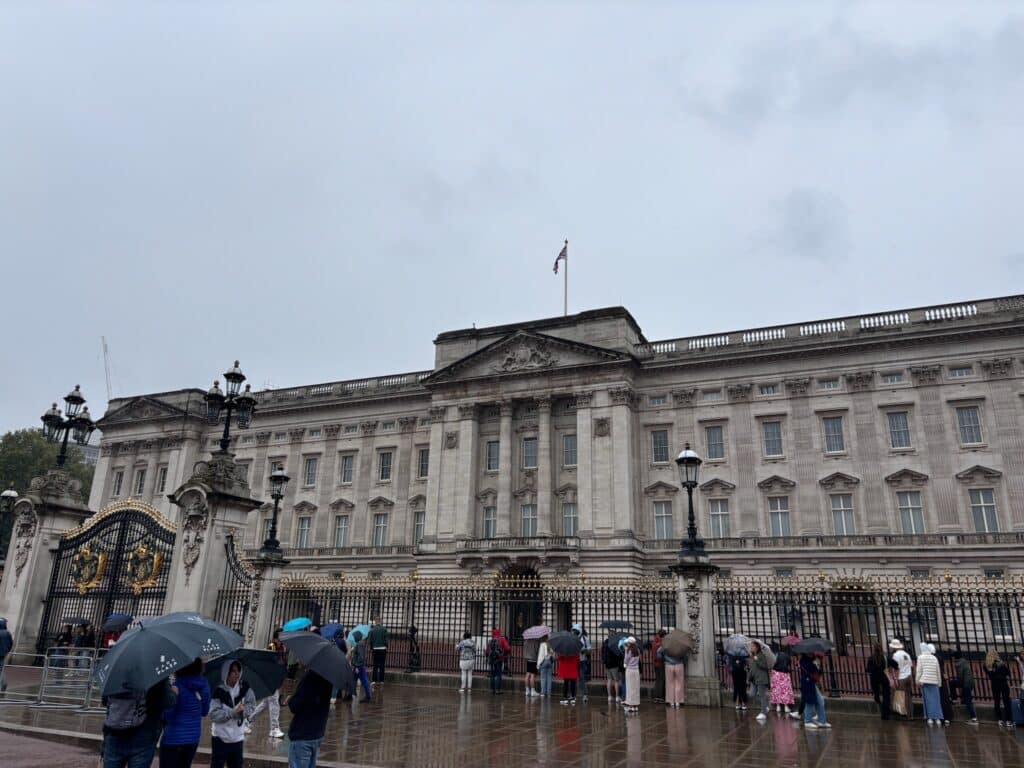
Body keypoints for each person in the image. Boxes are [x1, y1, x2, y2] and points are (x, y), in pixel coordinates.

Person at [102, 678, 176, 768]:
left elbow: (105, 700)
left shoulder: (116, 672)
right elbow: (168, 702)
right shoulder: (156, 673)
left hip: (114, 731)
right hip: (144, 733)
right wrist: (174, 693)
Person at [159, 658, 210, 768]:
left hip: (172, 739)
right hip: (192, 739)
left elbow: (168, 715)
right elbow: (205, 712)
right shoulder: (204, 685)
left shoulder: (176, 686)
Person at [209, 660, 256, 768]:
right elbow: (213, 714)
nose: (236, 674)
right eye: (233, 671)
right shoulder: (218, 691)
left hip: (237, 739)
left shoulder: (245, 688)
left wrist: (243, 712)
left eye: (238, 671)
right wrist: (232, 713)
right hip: (220, 738)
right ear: (226, 673)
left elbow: (252, 705)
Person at [284, 667, 332, 768]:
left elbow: (295, 706)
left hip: (303, 733)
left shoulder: (310, 676)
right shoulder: (328, 675)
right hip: (317, 733)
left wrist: (291, 699)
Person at [251, 629, 286, 738]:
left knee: (266, 703)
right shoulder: (272, 646)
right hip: (269, 678)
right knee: (274, 702)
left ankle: (247, 720)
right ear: (276, 638)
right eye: (281, 637)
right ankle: (274, 728)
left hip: (275, 678)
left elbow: (283, 664)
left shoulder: (283, 648)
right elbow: (270, 663)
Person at [799, 652, 830, 729]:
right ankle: (808, 721)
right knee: (809, 702)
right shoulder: (806, 661)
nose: (811, 654)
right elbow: (814, 672)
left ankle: (822, 721)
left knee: (820, 701)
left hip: (811, 683)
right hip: (807, 683)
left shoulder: (811, 661)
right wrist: (816, 666)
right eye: (809, 653)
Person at [915, 642, 942, 725]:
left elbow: (919, 671)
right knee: (936, 700)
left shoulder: (920, 657)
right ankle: (937, 718)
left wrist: (917, 681)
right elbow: (938, 671)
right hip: (934, 681)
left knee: (927, 701)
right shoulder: (934, 658)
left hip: (925, 681)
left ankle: (929, 718)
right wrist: (939, 682)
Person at [984, 649, 1013, 727]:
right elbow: (1008, 673)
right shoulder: (1000, 663)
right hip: (1003, 683)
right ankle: (1008, 720)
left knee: (997, 702)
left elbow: (990, 675)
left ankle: (999, 720)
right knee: (1006, 701)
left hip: (994, 684)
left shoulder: (986, 665)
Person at [889, 639, 914, 720]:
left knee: (900, 697)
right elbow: (911, 665)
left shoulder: (896, 655)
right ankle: (910, 714)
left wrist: (895, 679)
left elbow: (896, 668)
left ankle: (903, 713)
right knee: (908, 696)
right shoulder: (906, 654)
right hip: (908, 676)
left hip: (901, 677)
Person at [865, 643, 891, 720]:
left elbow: (868, 669)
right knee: (886, 696)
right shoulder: (885, 657)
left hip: (874, 679)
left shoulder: (871, 658)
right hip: (884, 678)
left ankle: (881, 707)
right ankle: (885, 713)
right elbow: (893, 663)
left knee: (877, 696)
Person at [657, 643, 685, 708]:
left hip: (668, 664)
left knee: (669, 683)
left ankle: (671, 702)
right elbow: (684, 656)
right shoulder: (680, 645)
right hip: (679, 664)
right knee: (679, 683)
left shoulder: (666, 644)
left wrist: (663, 658)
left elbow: (658, 652)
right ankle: (678, 701)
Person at [952, 651, 977, 724]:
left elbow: (960, 677)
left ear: (955, 657)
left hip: (966, 683)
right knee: (967, 699)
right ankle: (962, 700)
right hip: (970, 682)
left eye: (953, 657)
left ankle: (974, 718)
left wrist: (958, 682)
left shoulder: (958, 664)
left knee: (968, 701)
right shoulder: (963, 661)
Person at [769, 645, 794, 716]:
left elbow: (772, 664)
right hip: (784, 673)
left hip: (775, 673)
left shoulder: (775, 655)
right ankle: (786, 706)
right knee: (785, 690)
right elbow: (789, 663)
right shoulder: (787, 656)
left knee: (776, 689)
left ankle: (778, 706)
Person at [749, 641, 771, 721]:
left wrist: (757, 660)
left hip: (761, 678)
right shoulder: (753, 656)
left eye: (753, 646)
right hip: (754, 679)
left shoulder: (761, 655)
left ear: (757, 647)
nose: (751, 648)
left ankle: (763, 713)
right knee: (752, 694)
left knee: (762, 695)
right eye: (751, 646)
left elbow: (764, 666)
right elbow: (752, 668)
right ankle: (765, 706)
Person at [349, 631, 372, 702]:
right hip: (358, 666)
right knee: (353, 681)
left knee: (364, 681)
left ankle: (368, 696)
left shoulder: (360, 644)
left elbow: (361, 657)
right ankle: (350, 695)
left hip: (358, 667)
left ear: (357, 637)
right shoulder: (359, 643)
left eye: (354, 637)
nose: (354, 638)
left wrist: (356, 666)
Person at [486, 627, 510, 695]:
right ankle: (497, 690)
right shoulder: (502, 639)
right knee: (498, 674)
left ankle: (492, 690)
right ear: (499, 633)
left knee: (492, 675)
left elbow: (487, 651)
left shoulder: (490, 641)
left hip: (491, 660)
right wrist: (505, 654)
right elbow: (508, 648)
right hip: (499, 659)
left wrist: (488, 657)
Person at [367, 616, 388, 687]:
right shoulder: (384, 629)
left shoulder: (372, 630)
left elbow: (370, 641)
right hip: (383, 649)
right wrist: (386, 646)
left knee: (375, 665)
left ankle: (374, 680)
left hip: (375, 649)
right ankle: (381, 681)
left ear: (375, 621)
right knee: (382, 665)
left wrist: (371, 648)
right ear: (380, 621)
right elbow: (386, 640)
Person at [573, 623, 592, 702]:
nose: (574, 632)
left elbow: (589, 648)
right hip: (574, 660)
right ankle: (573, 694)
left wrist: (585, 650)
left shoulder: (585, 638)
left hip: (582, 660)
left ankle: (585, 695)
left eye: (576, 630)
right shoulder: (572, 638)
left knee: (582, 678)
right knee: (573, 678)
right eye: (574, 630)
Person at [622, 637, 641, 714]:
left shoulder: (628, 650)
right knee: (635, 687)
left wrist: (625, 664)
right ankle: (635, 706)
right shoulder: (637, 650)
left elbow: (626, 660)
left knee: (630, 687)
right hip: (636, 670)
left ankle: (630, 705)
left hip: (630, 670)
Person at [603, 634, 623, 703]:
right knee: (616, 680)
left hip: (607, 664)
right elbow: (618, 654)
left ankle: (609, 696)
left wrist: (604, 661)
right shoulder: (615, 643)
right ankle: (617, 696)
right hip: (614, 664)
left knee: (609, 680)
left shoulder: (605, 642)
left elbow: (603, 653)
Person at [651, 629, 667, 703]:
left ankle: (656, 696)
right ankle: (660, 697)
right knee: (661, 680)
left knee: (657, 680)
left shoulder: (654, 641)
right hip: (660, 663)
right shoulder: (661, 643)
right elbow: (660, 655)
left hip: (655, 663)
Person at [0, 617, 12, 693]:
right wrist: (6, 651)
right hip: (3, 654)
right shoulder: (7, 633)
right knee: (1, 670)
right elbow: (10, 644)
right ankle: (4, 684)